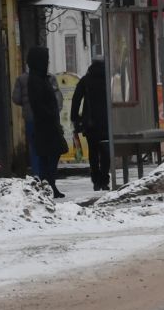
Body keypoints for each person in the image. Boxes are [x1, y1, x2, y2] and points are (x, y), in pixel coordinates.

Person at [23, 45, 67, 198]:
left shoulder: (40, 77)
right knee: (50, 154)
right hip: (45, 125)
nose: (47, 63)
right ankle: (47, 184)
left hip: (48, 123)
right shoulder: (35, 80)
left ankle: (49, 185)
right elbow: (39, 103)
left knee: (50, 155)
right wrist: (50, 115)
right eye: (45, 60)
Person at [68, 53, 112, 191]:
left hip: (91, 123)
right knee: (106, 152)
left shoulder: (86, 80)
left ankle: (95, 180)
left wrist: (75, 117)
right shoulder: (109, 79)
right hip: (107, 122)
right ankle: (104, 179)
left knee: (93, 152)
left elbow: (76, 99)